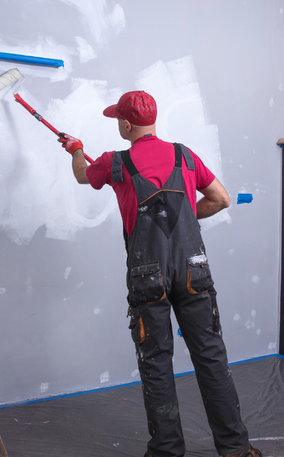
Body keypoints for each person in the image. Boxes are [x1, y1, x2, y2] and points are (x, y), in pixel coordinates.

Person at [58, 91, 261, 457]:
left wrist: (75, 147)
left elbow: (80, 176)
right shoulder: (185, 155)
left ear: (126, 123)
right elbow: (221, 198)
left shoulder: (113, 162)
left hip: (146, 274)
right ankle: (236, 450)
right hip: (193, 270)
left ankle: (167, 451)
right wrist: (181, 217)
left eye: (118, 119)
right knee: (211, 357)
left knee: (155, 362)